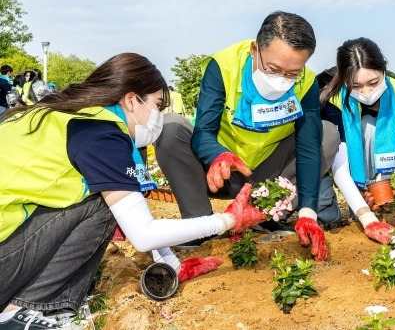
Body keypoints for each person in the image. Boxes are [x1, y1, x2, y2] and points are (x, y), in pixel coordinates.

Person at [0, 53, 264, 329]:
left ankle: (43, 307)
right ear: (130, 99)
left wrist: (172, 264)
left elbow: (133, 211)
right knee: (103, 205)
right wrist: (229, 220)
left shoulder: (72, 117)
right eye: (157, 105)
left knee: (109, 199)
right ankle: (19, 312)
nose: (159, 117)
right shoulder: (100, 133)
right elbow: (143, 233)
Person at [155, 11, 340, 260]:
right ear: (255, 49)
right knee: (170, 126)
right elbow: (203, 133)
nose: (281, 81)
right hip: (220, 172)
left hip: (266, 175)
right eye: (273, 69)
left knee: (326, 134)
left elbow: (308, 147)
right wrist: (217, 154)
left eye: (292, 73)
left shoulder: (305, 83)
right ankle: (198, 225)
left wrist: (307, 212)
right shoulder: (223, 67)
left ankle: (265, 217)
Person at [320, 38, 395, 244]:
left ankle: (378, 192)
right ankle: (361, 197)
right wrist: (366, 217)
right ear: (344, 79)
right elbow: (340, 166)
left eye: (373, 83)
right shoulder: (332, 102)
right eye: (356, 86)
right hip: (342, 165)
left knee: (371, 125)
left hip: (390, 161)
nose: (366, 92)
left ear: (384, 70)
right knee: (366, 126)